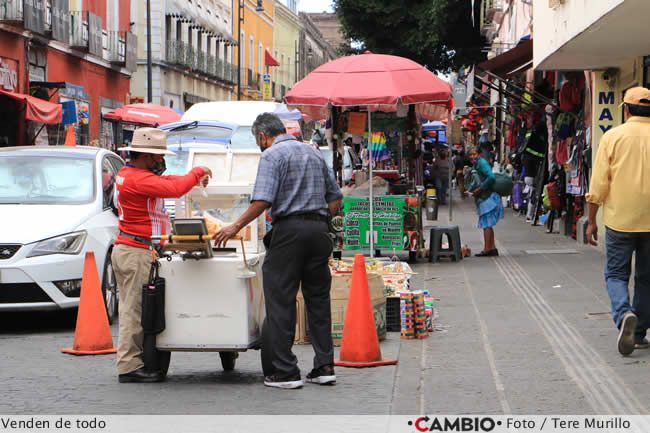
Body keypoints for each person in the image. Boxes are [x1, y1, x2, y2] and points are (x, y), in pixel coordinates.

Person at [214, 113, 342, 390]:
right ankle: (325, 366)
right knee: (318, 300)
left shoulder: (272, 156)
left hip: (290, 232)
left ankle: (286, 371)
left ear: (262, 136)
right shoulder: (314, 153)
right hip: (319, 231)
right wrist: (318, 221)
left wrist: (234, 227)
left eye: (257, 140)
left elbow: (262, 200)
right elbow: (335, 199)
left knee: (280, 299)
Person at [113, 128, 211, 383]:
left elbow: (168, 183)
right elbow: (176, 188)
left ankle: (135, 361)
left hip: (130, 248)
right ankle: (129, 367)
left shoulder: (129, 174)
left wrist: (193, 178)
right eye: (157, 157)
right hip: (134, 251)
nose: (160, 162)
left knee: (133, 308)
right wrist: (198, 172)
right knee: (133, 311)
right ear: (146, 155)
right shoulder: (138, 179)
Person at [586, 86, 650, 356]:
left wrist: (591, 220)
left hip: (619, 220)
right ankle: (638, 333)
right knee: (647, 279)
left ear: (625, 110)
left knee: (616, 274)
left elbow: (599, 182)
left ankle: (623, 313)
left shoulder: (613, 137)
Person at [467, 147, 503, 257]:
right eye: (470, 155)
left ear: (479, 154)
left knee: (486, 224)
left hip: (487, 198)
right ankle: (492, 248)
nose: (472, 157)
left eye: (474, 154)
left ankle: (487, 249)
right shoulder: (477, 164)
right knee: (488, 224)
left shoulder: (481, 163)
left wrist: (480, 188)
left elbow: (491, 177)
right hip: (486, 197)